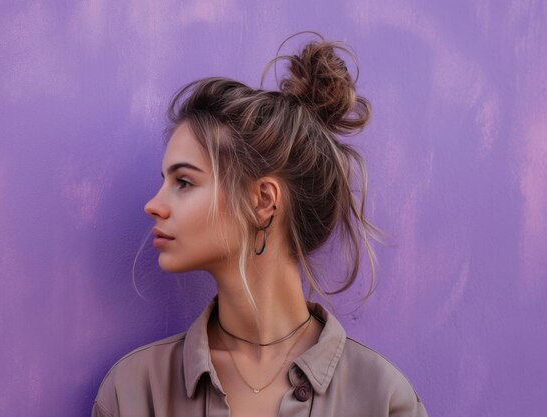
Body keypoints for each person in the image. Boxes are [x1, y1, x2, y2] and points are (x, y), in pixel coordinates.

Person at [91, 33, 428, 417]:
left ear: (263, 201)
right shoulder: (135, 390)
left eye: (184, 182)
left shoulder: (381, 398)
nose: (153, 205)